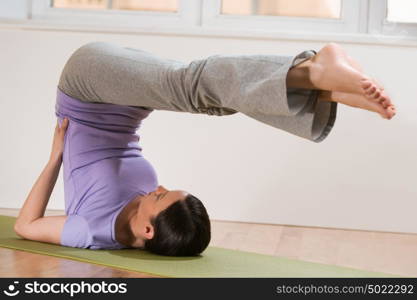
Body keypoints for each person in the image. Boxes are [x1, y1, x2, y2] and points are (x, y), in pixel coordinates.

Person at [14, 42, 395, 256]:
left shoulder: (88, 230)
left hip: (86, 87)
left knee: (193, 88)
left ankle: (314, 75)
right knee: (205, 99)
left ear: (147, 228)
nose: (156, 189)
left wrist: (54, 160)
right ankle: (318, 88)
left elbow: (25, 226)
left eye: (160, 195)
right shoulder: (146, 215)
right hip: (122, 98)